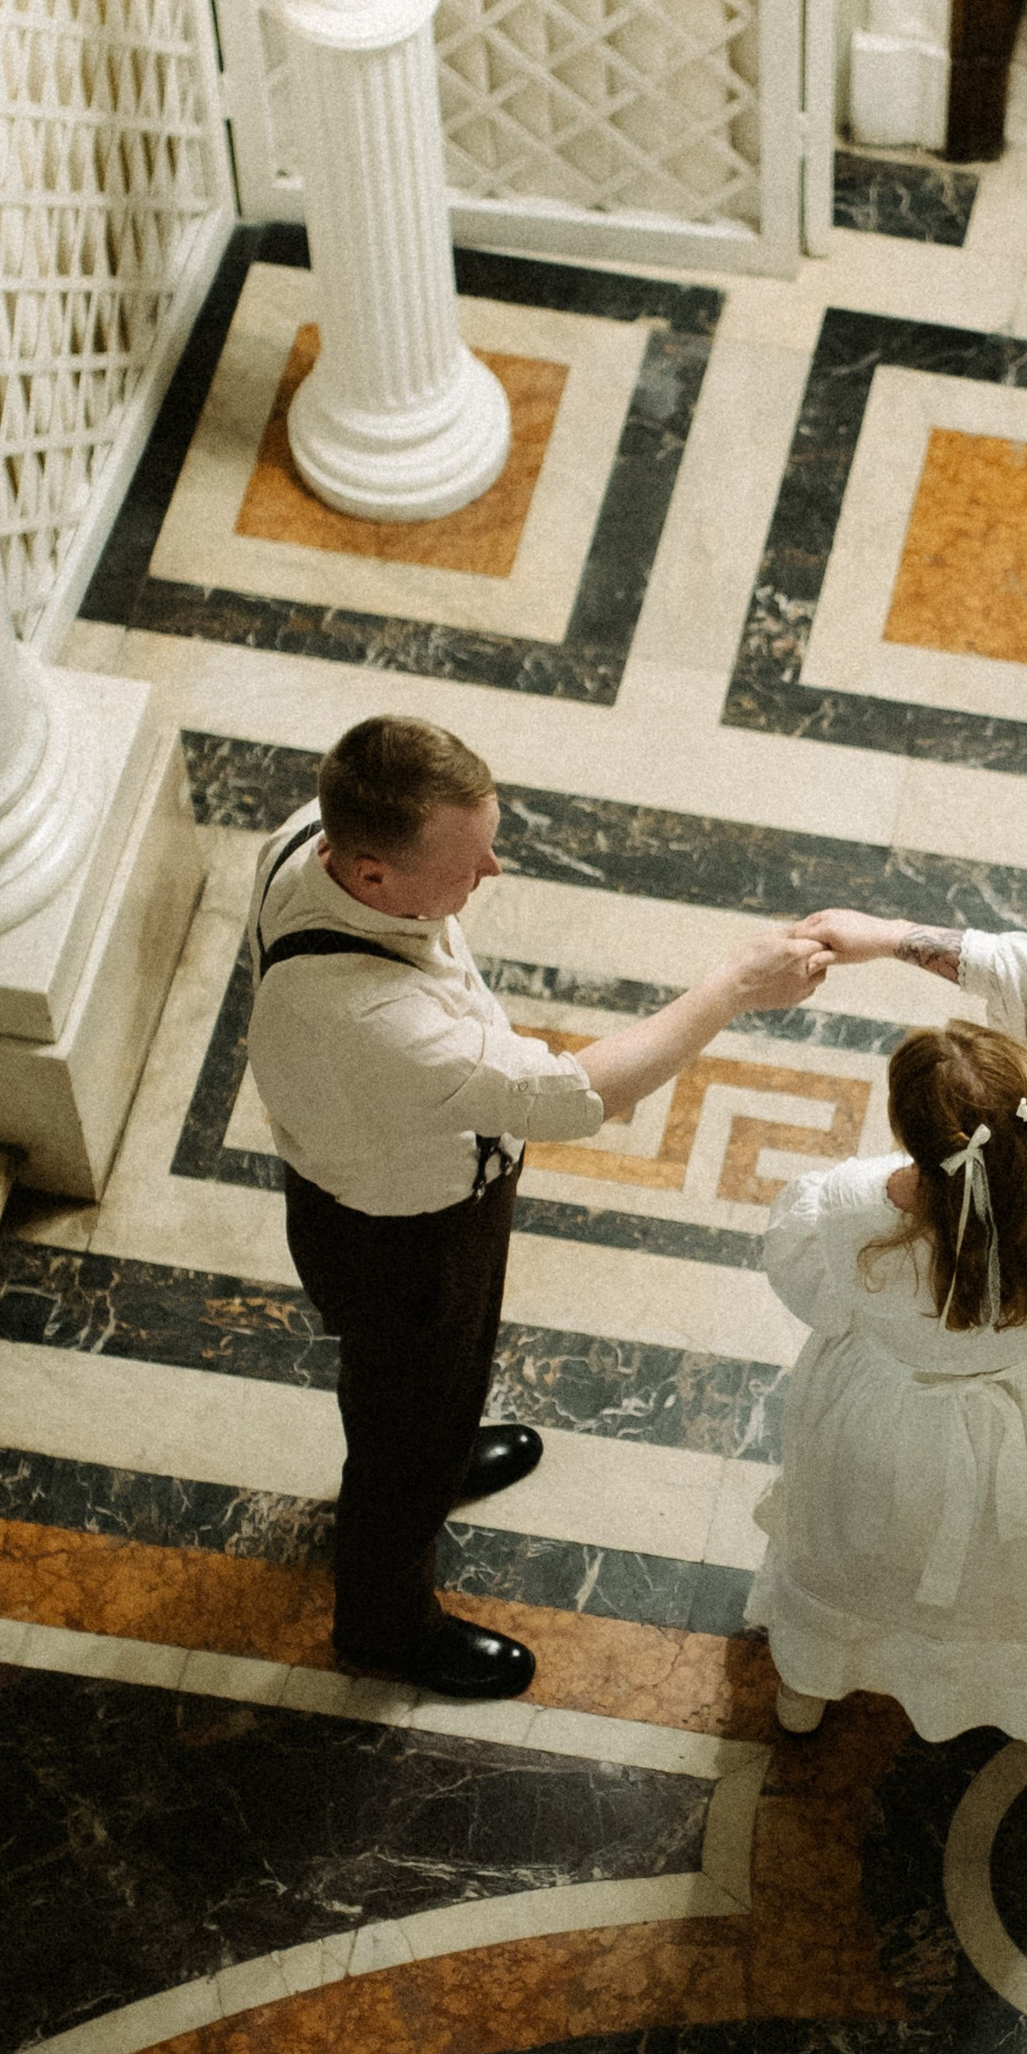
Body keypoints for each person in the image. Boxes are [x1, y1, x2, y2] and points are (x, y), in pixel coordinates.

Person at [246, 714, 829, 1701]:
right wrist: (731, 986)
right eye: (469, 862)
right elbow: (575, 1095)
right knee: (408, 1408)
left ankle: (436, 1441)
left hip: (409, 1189)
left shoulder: (310, 835)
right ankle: (384, 1625)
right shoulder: (374, 1019)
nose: (496, 872)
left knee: (424, 1379)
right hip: (402, 1234)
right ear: (374, 875)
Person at [744, 906, 1027, 1745]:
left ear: (910, 1137)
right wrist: (886, 935)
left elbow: (811, 1296)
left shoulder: (844, 1215)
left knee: (869, 1558)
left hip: (894, 1432)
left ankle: (817, 1678)